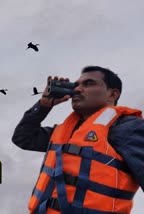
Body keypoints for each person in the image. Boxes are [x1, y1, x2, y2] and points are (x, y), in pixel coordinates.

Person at [12, 66, 144, 214]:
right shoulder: (64, 132)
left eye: (88, 84)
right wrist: (43, 106)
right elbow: (23, 138)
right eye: (76, 85)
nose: (77, 89)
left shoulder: (130, 129)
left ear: (112, 94)